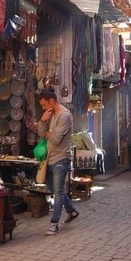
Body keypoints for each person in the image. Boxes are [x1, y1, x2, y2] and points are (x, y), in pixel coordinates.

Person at [37, 89, 79, 235]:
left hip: (61, 158)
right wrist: (42, 120)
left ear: (51, 100)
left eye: (43, 105)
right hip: (49, 157)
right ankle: (71, 211)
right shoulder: (50, 114)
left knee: (57, 191)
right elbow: (41, 134)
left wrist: (49, 134)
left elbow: (55, 139)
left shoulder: (64, 115)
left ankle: (54, 223)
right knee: (54, 189)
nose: (43, 108)